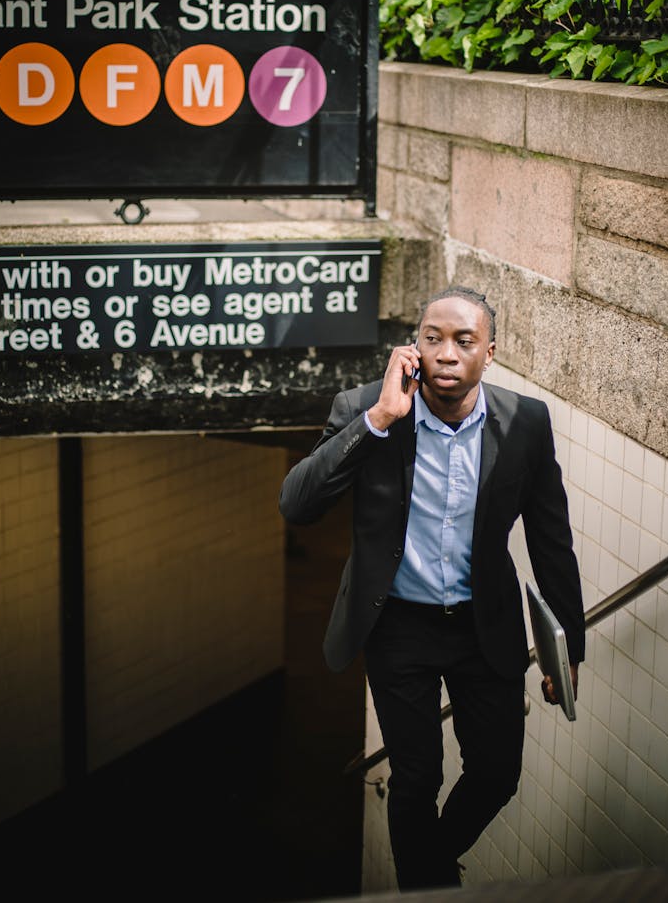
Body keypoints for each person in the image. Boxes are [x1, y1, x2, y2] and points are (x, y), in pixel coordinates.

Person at [279, 286, 585, 891]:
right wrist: (380, 419)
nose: (446, 353)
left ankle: (428, 866)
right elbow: (297, 503)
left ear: (489, 354)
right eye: (432, 338)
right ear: (412, 348)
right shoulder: (365, 406)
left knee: (498, 773)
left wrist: (567, 647)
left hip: (484, 626)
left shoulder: (525, 422)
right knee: (417, 778)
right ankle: (427, 888)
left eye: (464, 341)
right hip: (398, 628)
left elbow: (552, 541)